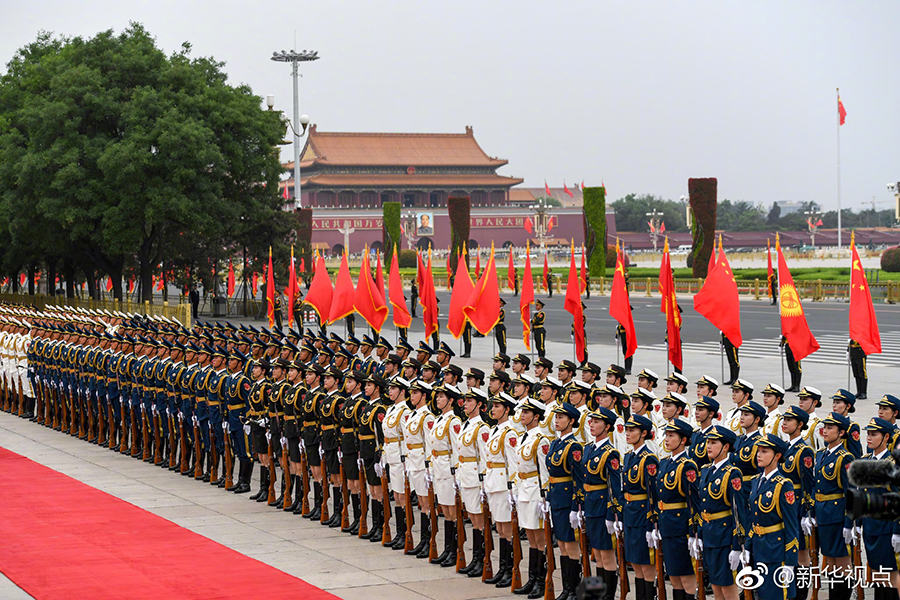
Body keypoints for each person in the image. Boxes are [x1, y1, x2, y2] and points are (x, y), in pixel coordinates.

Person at [696, 425, 747, 600]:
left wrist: (736, 545)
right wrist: (699, 535)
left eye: (713, 442)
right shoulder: (705, 471)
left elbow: (738, 512)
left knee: (727, 586)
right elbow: (702, 506)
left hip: (724, 537)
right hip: (710, 535)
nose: (708, 446)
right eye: (708, 442)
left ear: (725, 447)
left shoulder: (732, 474)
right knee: (716, 585)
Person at [746, 434, 799, 600]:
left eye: (764, 451)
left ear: (777, 456)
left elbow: (792, 526)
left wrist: (790, 562)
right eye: (758, 451)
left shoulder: (784, 485)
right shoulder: (756, 481)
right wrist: (747, 546)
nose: (758, 455)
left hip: (776, 552)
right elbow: (753, 518)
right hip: (759, 549)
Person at [811, 412, 856, 600]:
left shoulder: (845, 457)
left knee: (842, 561)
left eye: (831, 428)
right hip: (822, 514)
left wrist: (848, 522)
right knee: (828, 559)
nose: (826, 431)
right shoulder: (821, 454)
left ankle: (842, 596)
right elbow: (816, 486)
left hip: (836, 515)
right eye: (825, 427)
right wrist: (812, 512)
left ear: (842, 432)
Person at [655, 418, 700, 600]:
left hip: (680, 526)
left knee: (686, 575)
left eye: (671, 435)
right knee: (673, 575)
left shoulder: (687, 465)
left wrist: (693, 532)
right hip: (666, 524)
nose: (667, 439)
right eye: (666, 435)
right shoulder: (665, 462)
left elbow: (693, 502)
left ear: (683, 440)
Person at [581, 406, 624, 599]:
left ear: (607, 426)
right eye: (592, 421)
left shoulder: (610, 453)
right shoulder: (589, 448)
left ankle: (608, 596)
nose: (592, 425)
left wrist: (611, 515)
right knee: (596, 553)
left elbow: (614, 487)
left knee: (607, 554)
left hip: (601, 507)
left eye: (597, 422)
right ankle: (597, 593)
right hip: (590, 505)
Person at [511, 397, 551, 599]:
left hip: (536, 491)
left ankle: (542, 580)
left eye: (527, 413)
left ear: (536, 416)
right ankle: (532, 578)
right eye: (522, 412)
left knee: (539, 538)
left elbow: (544, 471)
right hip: (524, 489)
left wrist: (545, 498)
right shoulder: (523, 437)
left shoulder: (541, 440)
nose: (522, 416)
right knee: (531, 537)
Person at [545, 402, 584, 599]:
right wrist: (548, 497)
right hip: (556, 498)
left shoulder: (574, 446)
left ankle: (575, 589)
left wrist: (576, 507)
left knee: (570, 544)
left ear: (571, 421)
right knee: (561, 542)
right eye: (556, 417)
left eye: (561, 418)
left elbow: (578, 479)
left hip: (567, 499)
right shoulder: (555, 443)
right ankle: (567, 588)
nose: (557, 421)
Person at [858, 417, 900, 598]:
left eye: (874, 434)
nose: (868, 438)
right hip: (870, 527)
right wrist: (858, 523)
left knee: (888, 579)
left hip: (885, 529)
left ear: (886, 438)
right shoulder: (865, 460)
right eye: (868, 434)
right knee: (877, 575)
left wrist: (897, 531)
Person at [482, 392, 520, 588]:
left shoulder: (510, 433)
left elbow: (513, 464)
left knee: (508, 529)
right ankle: (503, 568)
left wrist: (513, 489)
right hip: (493, 483)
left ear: (506, 409)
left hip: (503, 485)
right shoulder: (495, 429)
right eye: (493, 406)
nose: (493, 409)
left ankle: (511, 569)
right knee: (500, 527)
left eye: (497, 406)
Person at [621, 414, 660, 599]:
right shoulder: (629, 456)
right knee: (635, 562)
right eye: (627, 430)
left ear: (644, 433)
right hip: (629, 513)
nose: (628, 434)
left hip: (642, 515)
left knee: (646, 563)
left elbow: (653, 494)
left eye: (632, 430)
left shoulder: (648, 459)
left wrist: (650, 525)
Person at [454, 387, 490, 577]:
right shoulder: (466, 424)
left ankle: (483, 559)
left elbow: (483, 457)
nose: (465, 404)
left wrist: (484, 482)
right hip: (465, 475)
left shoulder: (481, 427)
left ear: (478, 405)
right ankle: (476, 558)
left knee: (479, 518)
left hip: (475, 477)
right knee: (473, 518)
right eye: (465, 401)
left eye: (469, 401)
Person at [781, 405, 816, 600]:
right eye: (784, 419)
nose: (784, 423)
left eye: (790, 420)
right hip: (784, 506)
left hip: (797, 507)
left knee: (801, 553)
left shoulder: (804, 451)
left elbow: (808, 485)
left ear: (800, 424)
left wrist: (806, 513)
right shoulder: (784, 448)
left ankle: (801, 594)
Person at [427, 383, 463, 566]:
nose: (438, 399)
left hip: (448, 468)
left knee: (453, 511)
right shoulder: (439, 419)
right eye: (438, 396)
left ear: (450, 400)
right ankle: (448, 548)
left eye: (442, 397)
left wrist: (456, 472)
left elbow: (456, 449)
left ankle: (456, 550)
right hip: (438, 467)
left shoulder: (453, 421)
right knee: (445, 510)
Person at [831, 388, 863, 459]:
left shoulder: (851, 427)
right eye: (834, 402)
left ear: (848, 406)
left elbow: (855, 453)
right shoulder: (829, 424)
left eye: (838, 402)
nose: (834, 405)